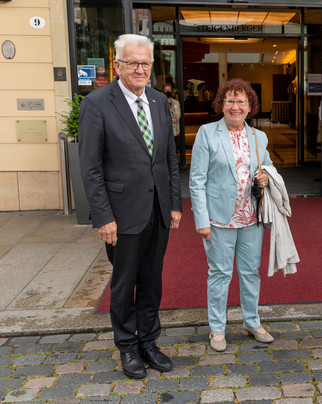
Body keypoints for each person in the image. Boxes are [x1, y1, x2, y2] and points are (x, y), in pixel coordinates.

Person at [79, 34, 182, 379]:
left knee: (152, 280)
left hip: (158, 209)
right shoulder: (97, 103)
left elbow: (169, 158)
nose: (140, 69)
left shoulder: (157, 101)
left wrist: (175, 204)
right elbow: (90, 168)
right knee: (124, 284)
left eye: (146, 63)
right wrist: (103, 217)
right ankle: (127, 346)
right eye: (133, 63)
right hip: (121, 214)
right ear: (117, 66)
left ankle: (149, 342)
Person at [189, 78, 274, 352]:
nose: (236, 106)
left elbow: (269, 168)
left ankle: (252, 321)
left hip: (251, 218)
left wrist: (265, 177)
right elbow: (196, 180)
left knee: (251, 272)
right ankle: (217, 329)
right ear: (221, 105)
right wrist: (201, 220)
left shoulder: (259, 137)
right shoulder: (207, 133)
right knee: (220, 274)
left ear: (250, 107)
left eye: (241, 101)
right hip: (219, 219)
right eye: (230, 101)